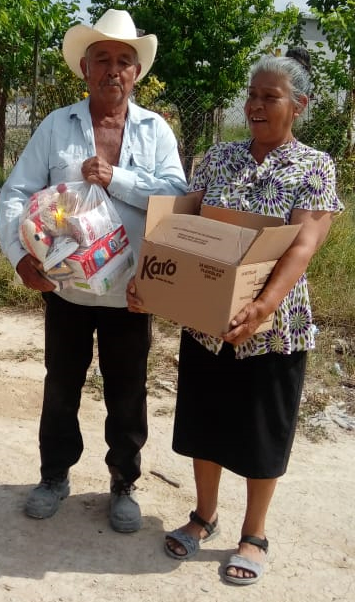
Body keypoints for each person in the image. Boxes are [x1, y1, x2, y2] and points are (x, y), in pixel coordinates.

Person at [128, 52, 343, 584]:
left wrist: (262, 305)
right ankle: (203, 515)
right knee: (206, 422)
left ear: (299, 105)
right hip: (207, 319)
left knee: (261, 430)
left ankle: (254, 532)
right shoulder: (219, 157)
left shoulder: (314, 165)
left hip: (274, 326)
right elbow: (181, 223)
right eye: (252, 94)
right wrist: (148, 277)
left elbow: (304, 244)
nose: (255, 105)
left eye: (269, 96)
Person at [0, 9, 187, 533]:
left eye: (124, 61)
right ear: (84, 68)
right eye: (102, 59)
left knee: (128, 391)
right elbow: (16, 192)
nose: (113, 70)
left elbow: (176, 199)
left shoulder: (155, 131)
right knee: (61, 386)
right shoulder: (58, 126)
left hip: (132, 293)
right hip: (67, 293)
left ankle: (123, 483)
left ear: (136, 73)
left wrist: (116, 178)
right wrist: (18, 255)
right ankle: (54, 475)